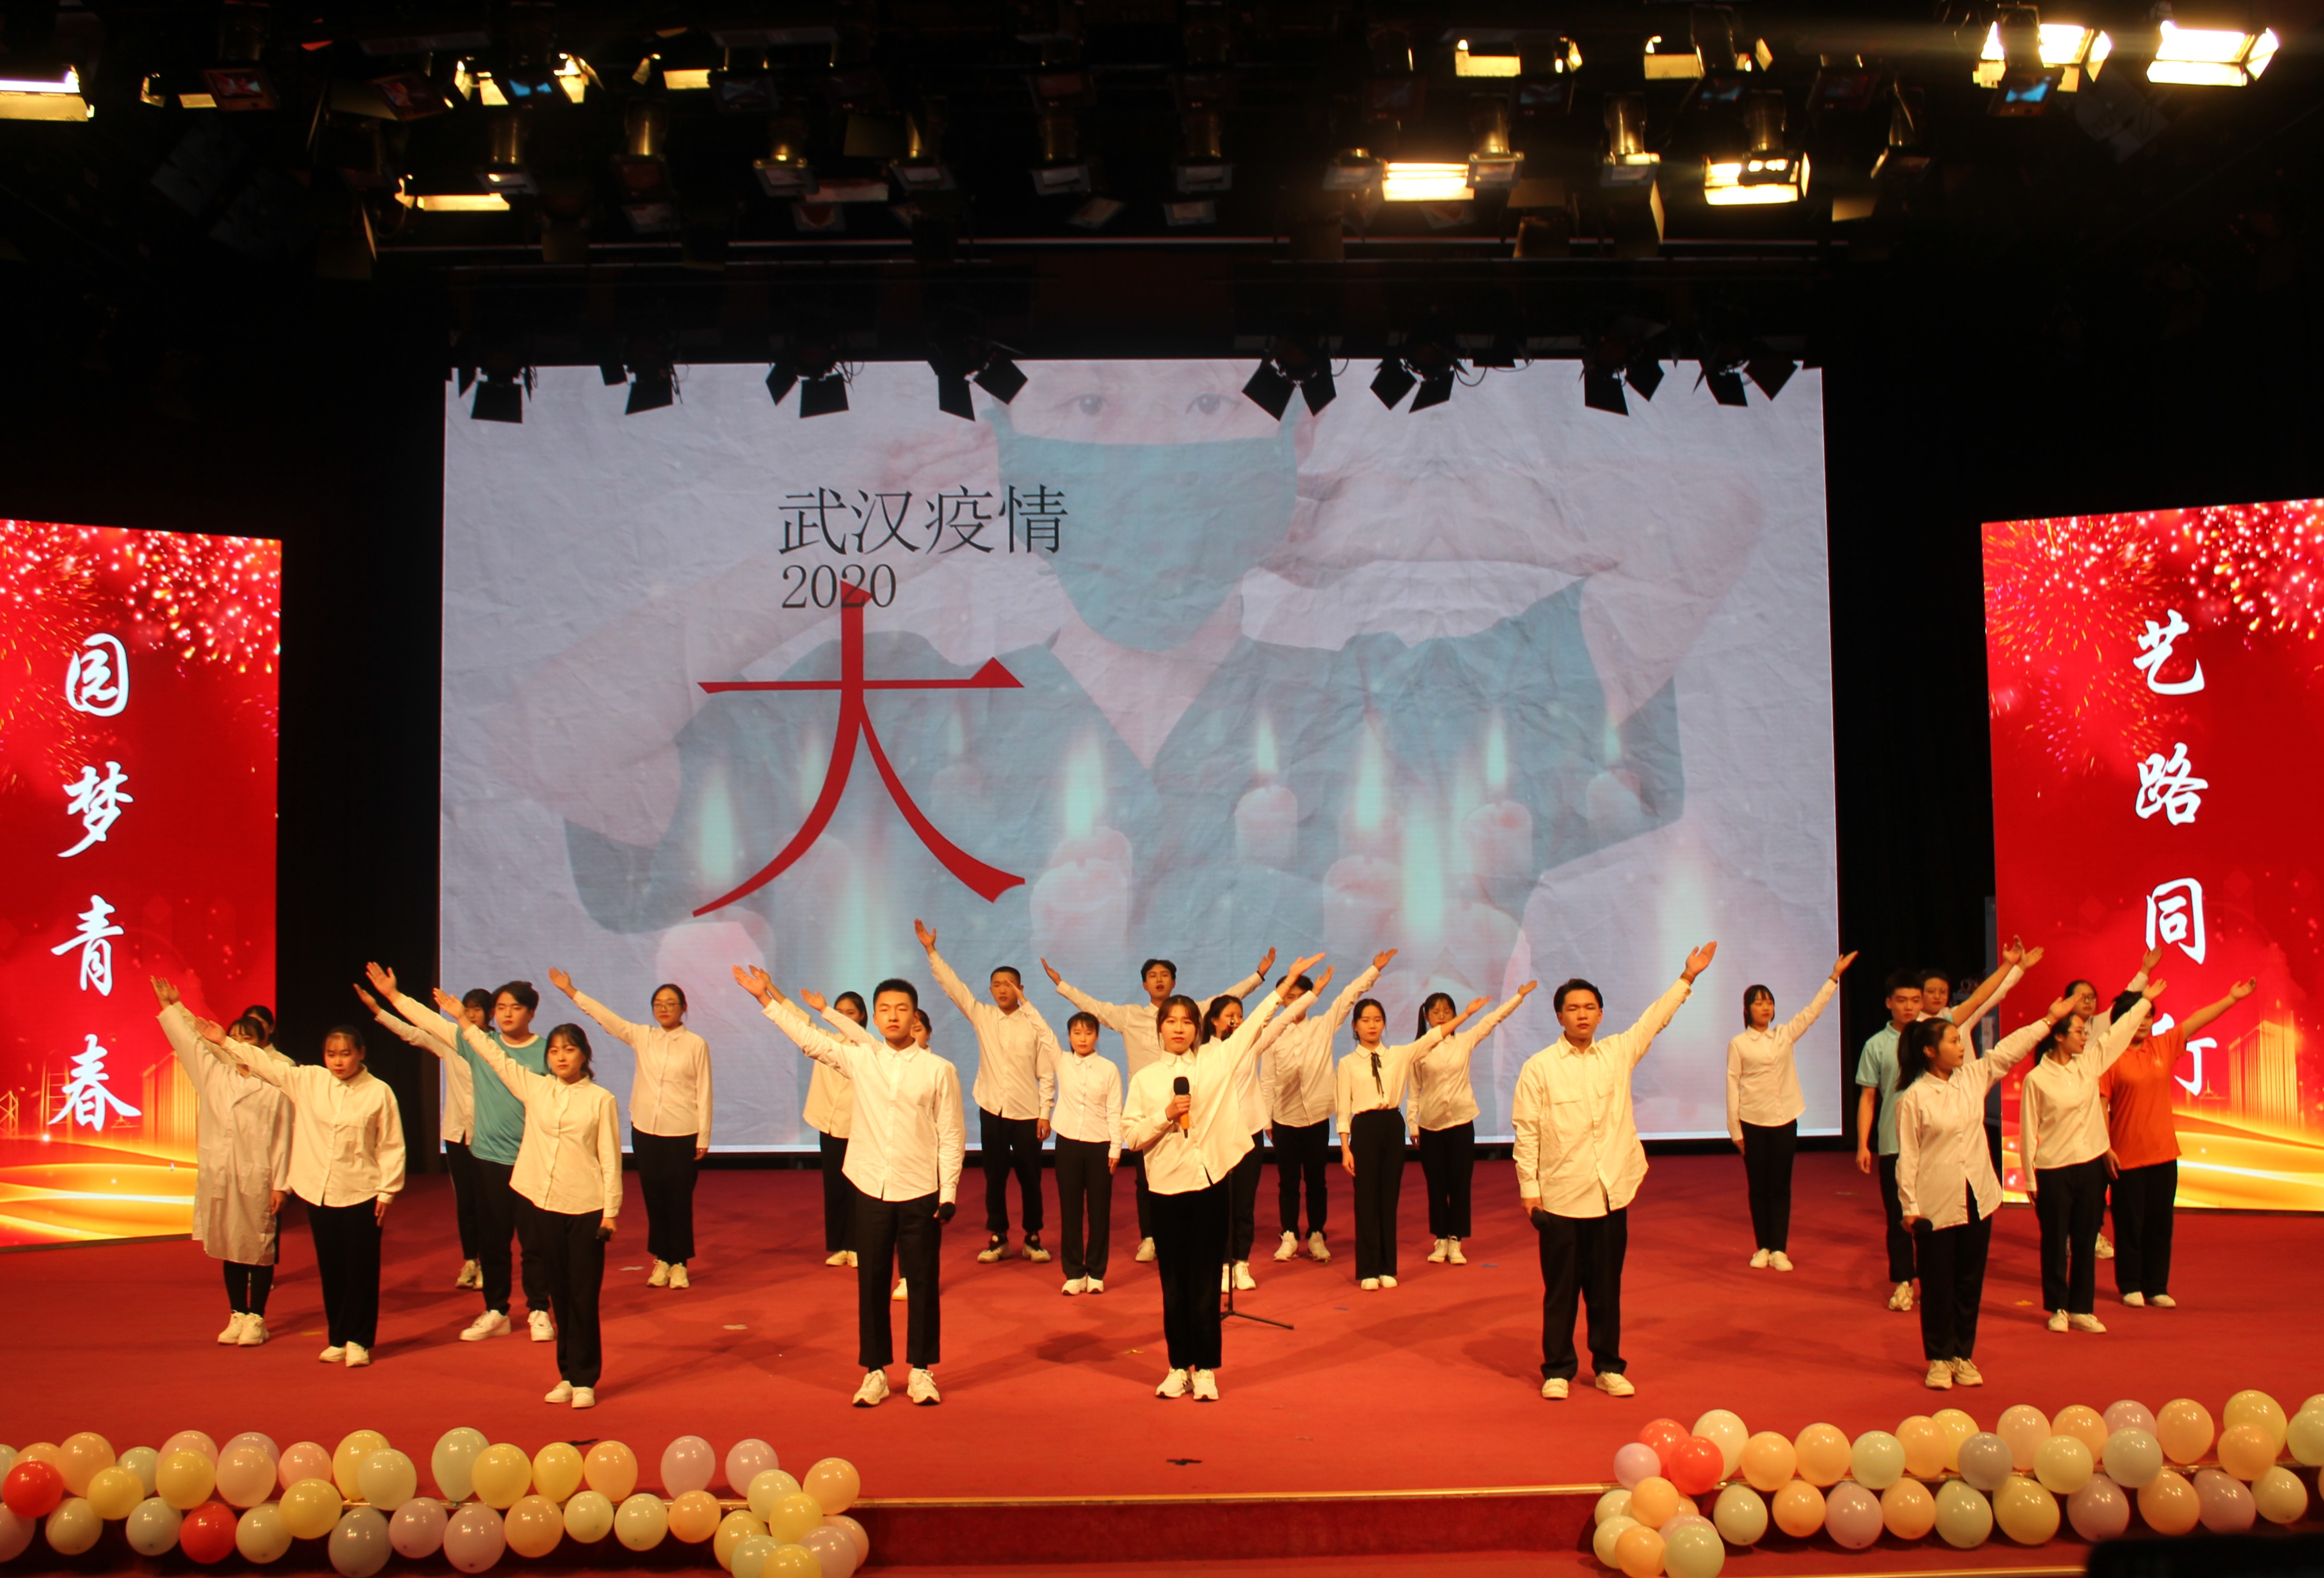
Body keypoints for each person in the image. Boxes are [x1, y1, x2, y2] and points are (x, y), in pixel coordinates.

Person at [738, 967, 964, 1407]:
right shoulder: (862, 1059)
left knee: (921, 1283)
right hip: (870, 1185)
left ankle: (921, 1370)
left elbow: (952, 1134)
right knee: (872, 1283)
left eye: (902, 1009)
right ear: (874, 1019)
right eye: (885, 1010)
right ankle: (874, 1371)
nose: (893, 1016)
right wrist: (766, 1000)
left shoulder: (940, 1070)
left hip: (920, 1189)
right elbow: (811, 1041)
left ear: (915, 1017)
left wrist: (949, 1192)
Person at [1513, 942, 1718, 1400]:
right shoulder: (1539, 1068)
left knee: (1606, 1290)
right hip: (1561, 1197)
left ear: (1601, 1014)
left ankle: (1608, 1366)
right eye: (1573, 1009)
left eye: (1590, 1008)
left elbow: (1654, 1019)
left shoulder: (1618, 1053)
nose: (1582, 1015)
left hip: (1610, 1195)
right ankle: (1558, 1370)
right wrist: (1530, 1190)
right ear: (1559, 1017)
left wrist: (1688, 977)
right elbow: (1526, 1132)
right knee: (1561, 1291)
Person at [1123, 954, 1320, 1402]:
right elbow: (1132, 1137)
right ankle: (1178, 1366)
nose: (1179, 1029)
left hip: (1209, 1185)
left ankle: (1207, 1369)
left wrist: (1287, 983)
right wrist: (1164, 1115)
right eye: (1171, 1021)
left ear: (1198, 1028)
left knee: (1208, 1281)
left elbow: (1256, 1024)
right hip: (1166, 1189)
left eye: (1186, 1022)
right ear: (1160, 1028)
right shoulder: (1146, 1080)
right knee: (1173, 1283)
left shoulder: (1216, 1061)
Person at [1895, 989, 2111, 1389]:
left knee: (1969, 1282)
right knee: (1938, 1284)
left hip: (1979, 1196)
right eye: (1954, 1041)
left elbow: (2009, 1051)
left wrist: (2049, 1020)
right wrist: (1909, 1207)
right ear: (1930, 1051)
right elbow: (1907, 1158)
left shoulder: (1971, 1078)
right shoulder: (1913, 1099)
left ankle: (1963, 1354)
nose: (1963, 1046)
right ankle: (1939, 1358)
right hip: (1934, 1204)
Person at [442, 993, 622, 1407]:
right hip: (544, 1203)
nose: (560, 1057)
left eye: (569, 1050)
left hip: (586, 1206)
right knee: (559, 1292)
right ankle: (567, 1375)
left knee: (583, 1295)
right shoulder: (536, 1088)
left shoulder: (601, 1099)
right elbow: (496, 1057)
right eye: (554, 1051)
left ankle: (586, 1380)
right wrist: (464, 1022)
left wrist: (611, 1212)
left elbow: (610, 1159)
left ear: (584, 1055)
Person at [369, 963, 556, 1344]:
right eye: (501, 1008)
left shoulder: (545, 1052)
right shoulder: (479, 1045)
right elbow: (430, 1023)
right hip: (488, 1159)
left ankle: (539, 1309)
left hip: (533, 1161)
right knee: (493, 1242)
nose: (506, 1014)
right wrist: (394, 996)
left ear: (532, 1013)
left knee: (535, 1242)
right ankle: (497, 1311)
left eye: (515, 1008)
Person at [1048, 951, 1271, 1263]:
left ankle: (1197, 1242)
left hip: (1190, 1104)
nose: (1159, 980)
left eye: (1165, 975)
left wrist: (1258, 978)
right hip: (1151, 1107)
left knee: (1198, 1173)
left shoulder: (1190, 1011)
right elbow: (1095, 1008)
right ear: (1144, 985)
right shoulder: (1129, 1016)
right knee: (1146, 1179)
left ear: (1174, 982)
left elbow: (1226, 999)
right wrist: (1063, 986)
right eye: (1152, 976)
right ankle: (1150, 1236)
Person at [207, 1019, 404, 1368]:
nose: (338, 1061)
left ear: (361, 1054)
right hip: (317, 1189)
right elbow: (267, 1065)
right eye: (331, 1054)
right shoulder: (310, 1080)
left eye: (345, 1054)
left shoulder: (379, 1092)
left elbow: (390, 1144)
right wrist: (225, 1042)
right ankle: (338, 1338)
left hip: (362, 1191)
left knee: (361, 1269)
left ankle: (359, 1340)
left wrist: (387, 1192)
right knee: (331, 1268)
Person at [1856, 943, 2027, 1312]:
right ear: (1890, 1002)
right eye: (1906, 1000)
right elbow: (1869, 1096)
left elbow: (1980, 1000)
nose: (1913, 1006)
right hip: (1897, 1142)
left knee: (1941, 1223)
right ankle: (1904, 1282)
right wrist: (1862, 1143)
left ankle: (1938, 1284)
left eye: (1918, 999)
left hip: (1939, 1141)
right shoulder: (1885, 1044)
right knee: (1901, 1218)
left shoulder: (1933, 1033)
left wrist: (2010, 968)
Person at [548, 969, 712, 1290]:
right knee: (654, 1198)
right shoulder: (642, 1036)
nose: (664, 1009)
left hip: (683, 1132)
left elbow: (704, 1089)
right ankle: (661, 1260)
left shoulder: (696, 1044)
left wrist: (703, 1135)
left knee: (679, 1200)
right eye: (658, 1004)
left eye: (671, 1003)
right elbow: (606, 1019)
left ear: (683, 1009)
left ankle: (680, 1263)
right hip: (646, 1131)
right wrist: (571, 991)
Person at [151, 980, 293, 1347]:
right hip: (222, 1173)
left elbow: (285, 1136)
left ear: (262, 1045)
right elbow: (188, 1043)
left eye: (248, 1039)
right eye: (234, 1038)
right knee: (229, 1244)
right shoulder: (214, 1074)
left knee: (258, 1247)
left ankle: (257, 1317)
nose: (238, 1045)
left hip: (258, 1176)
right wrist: (172, 1007)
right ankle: (237, 1313)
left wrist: (281, 1184)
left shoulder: (276, 1084)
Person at [2021, 980, 2165, 1335]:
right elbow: (2027, 1131)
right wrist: (2029, 1178)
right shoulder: (2037, 1079)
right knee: (2056, 1241)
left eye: (2086, 1032)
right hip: (2053, 1169)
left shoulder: (2089, 1065)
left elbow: (2118, 1034)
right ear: (2059, 1037)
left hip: (2090, 1167)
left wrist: (2144, 1002)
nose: (2085, 1037)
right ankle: (2058, 1307)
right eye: (2078, 1032)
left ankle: (2082, 1308)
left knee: (2086, 1239)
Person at [917, 921, 1061, 1267]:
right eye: (996, 985)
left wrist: (1045, 1113)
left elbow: (1046, 1074)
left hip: (1028, 1114)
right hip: (992, 1110)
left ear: (1021, 988)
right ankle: (999, 1237)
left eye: (1008, 984)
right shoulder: (983, 1016)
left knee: (1031, 1179)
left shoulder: (1035, 1025)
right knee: (994, 1178)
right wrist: (931, 950)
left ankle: (1033, 1237)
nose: (1002, 990)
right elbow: (954, 988)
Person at [2102, 977, 2252, 1309]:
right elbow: (2102, 1105)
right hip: (2125, 1156)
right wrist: (2105, 1148)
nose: (2145, 1022)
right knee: (2129, 1225)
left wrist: (2232, 998)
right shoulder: (2109, 1058)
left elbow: (2197, 1021)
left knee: (2160, 1224)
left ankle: (2157, 1286)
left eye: (2149, 1016)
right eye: (2139, 1015)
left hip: (2164, 1153)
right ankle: (2130, 1285)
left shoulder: (2163, 1046)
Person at [1337, 993, 1481, 1291]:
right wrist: (1345, 1148)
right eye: (1366, 1020)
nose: (1372, 1026)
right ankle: (1368, 1269)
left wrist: (1465, 1015)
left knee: (1389, 1200)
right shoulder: (1347, 1063)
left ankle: (1388, 1267)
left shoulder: (1399, 1055)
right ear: (1355, 1026)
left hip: (1392, 1125)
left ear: (1384, 1024)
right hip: (1363, 1128)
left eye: (1378, 1020)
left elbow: (1434, 1037)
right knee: (1366, 1200)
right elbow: (1342, 1110)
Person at [1726, 954, 1856, 1269]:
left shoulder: (1784, 1035)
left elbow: (1812, 1012)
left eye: (1769, 1002)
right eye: (1759, 1003)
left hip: (1785, 1120)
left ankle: (1780, 1249)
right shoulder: (1739, 1044)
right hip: (1753, 1121)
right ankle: (1763, 1247)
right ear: (1747, 1009)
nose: (1766, 1008)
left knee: (1781, 1185)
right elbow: (1732, 1083)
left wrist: (1833, 978)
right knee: (1759, 1187)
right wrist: (1735, 1129)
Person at [358, 982, 490, 1290]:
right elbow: (413, 1034)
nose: (471, 1014)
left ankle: (489, 1262)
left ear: (489, 1014)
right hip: (457, 1133)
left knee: (487, 1203)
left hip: (488, 1136)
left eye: (477, 1010)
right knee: (465, 1203)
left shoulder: (495, 1047)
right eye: (467, 1009)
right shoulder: (452, 1043)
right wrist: (378, 1011)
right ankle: (470, 1260)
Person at [1203, 982, 1318, 1291]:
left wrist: (1312, 994)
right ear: (1214, 1020)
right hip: (1218, 1136)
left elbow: (1282, 1020)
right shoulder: (1203, 1054)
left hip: (1250, 1133)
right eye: (1230, 1016)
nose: (1236, 1021)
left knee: (1244, 1203)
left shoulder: (1251, 1045)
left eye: (1240, 1016)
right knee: (1219, 1205)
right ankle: (1222, 1265)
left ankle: (1241, 1263)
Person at [1413, 980, 1536, 1266]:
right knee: (1436, 1185)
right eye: (1436, 1012)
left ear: (1455, 1015)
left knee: (1460, 1183)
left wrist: (1518, 997)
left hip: (1461, 1123)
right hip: (1430, 1126)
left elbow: (1493, 1020)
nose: (1442, 1016)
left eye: (1447, 1011)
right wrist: (1412, 1124)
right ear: (1426, 1016)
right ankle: (1440, 1239)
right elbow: (1413, 1090)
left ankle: (1456, 1240)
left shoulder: (1465, 1041)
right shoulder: (1419, 1049)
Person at [1266, 955, 1379, 1262]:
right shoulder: (1273, 1033)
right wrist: (1267, 1120)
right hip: (1284, 1118)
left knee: (1317, 1181)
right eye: (1287, 998)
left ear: (1309, 998)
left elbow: (1348, 999)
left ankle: (1316, 1234)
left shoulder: (1321, 1026)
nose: (1292, 1003)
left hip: (1317, 1117)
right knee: (1288, 1182)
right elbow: (1267, 1080)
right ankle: (1289, 1235)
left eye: (1297, 997)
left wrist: (1374, 969)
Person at [1050, 1011, 1124, 1294]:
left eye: (1089, 1033)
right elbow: (1041, 1029)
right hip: (1068, 1142)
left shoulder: (1108, 1069)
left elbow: (1114, 1110)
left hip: (1100, 1145)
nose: (1082, 1038)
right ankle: (1073, 1272)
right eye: (1077, 1033)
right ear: (1069, 1036)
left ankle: (1096, 1272)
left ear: (1097, 1036)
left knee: (1099, 1211)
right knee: (1070, 1210)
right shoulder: (1061, 1061)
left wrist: (1116, 1147)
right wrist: (1024, 1000)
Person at [804, 990, 867, 1268]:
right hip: (829, 1125)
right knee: (834, 1187)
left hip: (858, 1128)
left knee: (858, 1189)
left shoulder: (870, 1049)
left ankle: (858, 1244)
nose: (843, 1018)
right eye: (838, 1013)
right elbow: (799, 1022)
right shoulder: (827, 1042)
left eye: (850, 1013)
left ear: (862, 1016)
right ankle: (840, 1245)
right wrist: (769, 992)